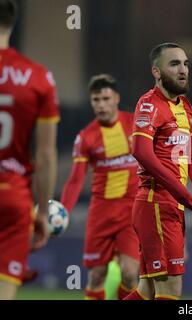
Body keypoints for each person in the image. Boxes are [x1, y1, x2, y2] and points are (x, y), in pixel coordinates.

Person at [124, 43, 192, 300]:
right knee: (170, 288)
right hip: (156, 203)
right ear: (157, 72)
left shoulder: (185, 106)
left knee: (147, 290)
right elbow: (141, 151)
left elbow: (190, 155)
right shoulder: (149, 104)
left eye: (185, 63)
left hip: (170, 205)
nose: (183, 69)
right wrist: (181, 192)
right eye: (174, 64)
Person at [60, 74, 140, 300]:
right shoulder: (86, 137)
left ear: (116, 98)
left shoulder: (135, 125)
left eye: (106, 98)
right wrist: (63, 210)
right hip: (101, 212)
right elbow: (75, 179)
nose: (101, 105)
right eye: (96, 100)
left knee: (129, 273)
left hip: (130, 212)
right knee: (96, 275)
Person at [0, 0, 59, 299]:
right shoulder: (38, 77)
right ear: (12, 23)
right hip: (13, 196)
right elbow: (46, 155)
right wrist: (44, 210)